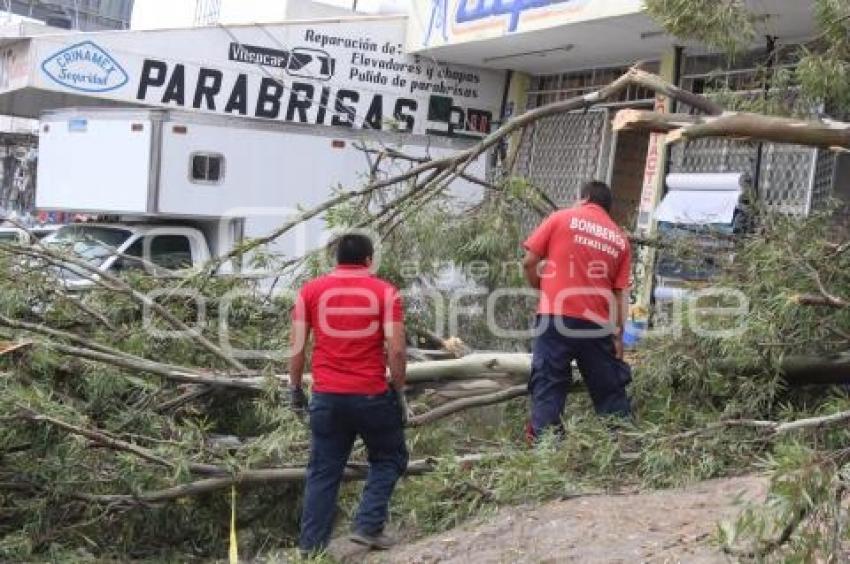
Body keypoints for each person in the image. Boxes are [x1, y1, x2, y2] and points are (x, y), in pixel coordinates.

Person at [289, 233, 408, 555]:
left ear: (336, 259)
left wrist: (295, 387)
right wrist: (399, 391)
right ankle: (368, 526)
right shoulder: (385, 292)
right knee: (390, 457)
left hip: (326, 398)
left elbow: (297, 348)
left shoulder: (310, 291)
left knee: (323, 472)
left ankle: (311, 551)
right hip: (370, 395)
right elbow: (396, 351)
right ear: (369, 260)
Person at [521, 180, 633, 439]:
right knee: (609, 392)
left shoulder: (561, 218)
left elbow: (529, 262)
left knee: (548, 385)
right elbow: (620, 294)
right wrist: (618, 336)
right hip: (597, 326)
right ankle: (625, 446)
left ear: (583, 199)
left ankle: (547, 453)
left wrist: (542, 286)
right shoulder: (619, 238)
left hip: (555, 318)